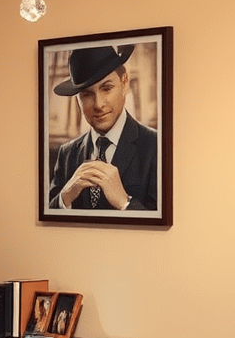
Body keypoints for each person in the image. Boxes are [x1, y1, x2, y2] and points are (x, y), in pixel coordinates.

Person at [48, 44, 158, 212]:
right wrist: (65, 196)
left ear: (124, 82)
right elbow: (49, 217)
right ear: (78, 99)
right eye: (86, 94)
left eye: (106, 88)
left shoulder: (156, 146)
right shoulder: (67, 153)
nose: (98, 104)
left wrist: (124, 202)